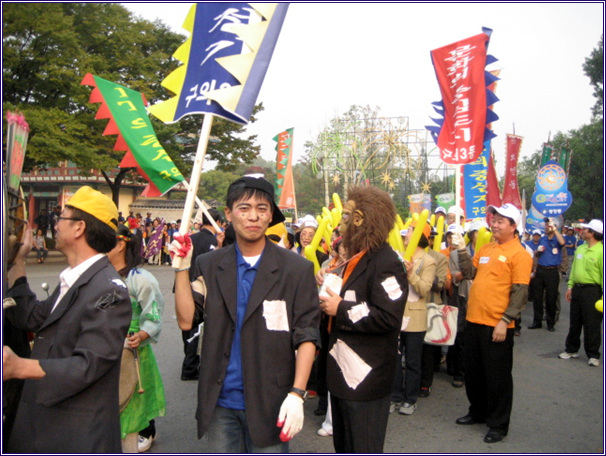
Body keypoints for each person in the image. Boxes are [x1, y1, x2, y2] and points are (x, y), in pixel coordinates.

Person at [172, 176, 321, 452]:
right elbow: (186, 320)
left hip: (272, 400)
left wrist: (297, 394)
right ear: (228, 213)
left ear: (271, 215)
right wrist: (182, 268)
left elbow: (307, 334)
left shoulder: (296, 269)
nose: (253, 216)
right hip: (220, 402)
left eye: (262, 209)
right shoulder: (209, 264)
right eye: (244, 208)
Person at [3, 186, 132, 453]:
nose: (55, 224)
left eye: (60, 217)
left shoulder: (109, 290)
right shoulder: (75, 279)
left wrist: (19, 367)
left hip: (76, 436)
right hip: (46, 425)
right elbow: (31, 317)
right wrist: (18, 260)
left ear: (79, 228)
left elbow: (88, 365)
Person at [320, 185, 408, 453]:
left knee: (363, 445)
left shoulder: (387, 262)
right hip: (342, 373)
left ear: (360, 219)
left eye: (346, 216)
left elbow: (388, 317)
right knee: (345, 446)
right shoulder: (357, 258)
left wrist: (342, 307)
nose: (340, 222)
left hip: (366, 379)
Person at [454, 203, 532, 444]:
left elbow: (520, 292)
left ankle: (498, 424)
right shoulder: (486, 247)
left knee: (497, 376)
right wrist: (461, 250)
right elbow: (469, 273)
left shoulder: (519, 253)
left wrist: (505, 320)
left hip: (497, 324)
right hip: (473, 319)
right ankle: (477, 411)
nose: (495, 224)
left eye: (501, 221)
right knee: (473, 372)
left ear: (513, 225)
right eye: (494, 219)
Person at [107, 225, 166, 453]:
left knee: (136, 392)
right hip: (106, 345)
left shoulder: (139, 278)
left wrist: (142, 333)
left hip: (133, 347)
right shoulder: (101, 275)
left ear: (121, 244)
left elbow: (153, 311)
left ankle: (145, 431)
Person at [392, 221, 436, 416]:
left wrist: (410, 274)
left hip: (415, 318)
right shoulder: (399, 256)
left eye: (409, 231)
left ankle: (410, 399)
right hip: (396, 316)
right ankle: (394, 396)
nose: (405, 234)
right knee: (394, 359)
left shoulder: (428, 261)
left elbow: (425, 288)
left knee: (412, 361)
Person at [180, 208, 224, 382]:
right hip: (201, 288)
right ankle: (190, 366)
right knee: (198, 329)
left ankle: (190, 362)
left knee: (187, 327)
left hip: (185, 286)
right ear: (217, 222)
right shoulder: (213, 241)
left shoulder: (191, 239)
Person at [559, 219, 603, 366]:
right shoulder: (581, 248)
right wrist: (570, 287)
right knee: (575, 321)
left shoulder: (601, 251)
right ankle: (571, 349)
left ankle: (593, 354)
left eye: (585, 230)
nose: (582, 231)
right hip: (577, 289)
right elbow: (574, 271)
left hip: (593, 291)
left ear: (592, 233)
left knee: (592, 323)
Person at [528, 217, 565, 332]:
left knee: (551, 298)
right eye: (545, 225)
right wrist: (537, 252)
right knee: (537, 297)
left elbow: (563, 243)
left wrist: (554, 230)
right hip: (540, 270)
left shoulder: (557, 239)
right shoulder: (542, 239)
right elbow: (536, 254)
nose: (545, 227)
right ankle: (537, 321)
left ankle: (550, 323)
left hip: (552, 271)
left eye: (547, 225)